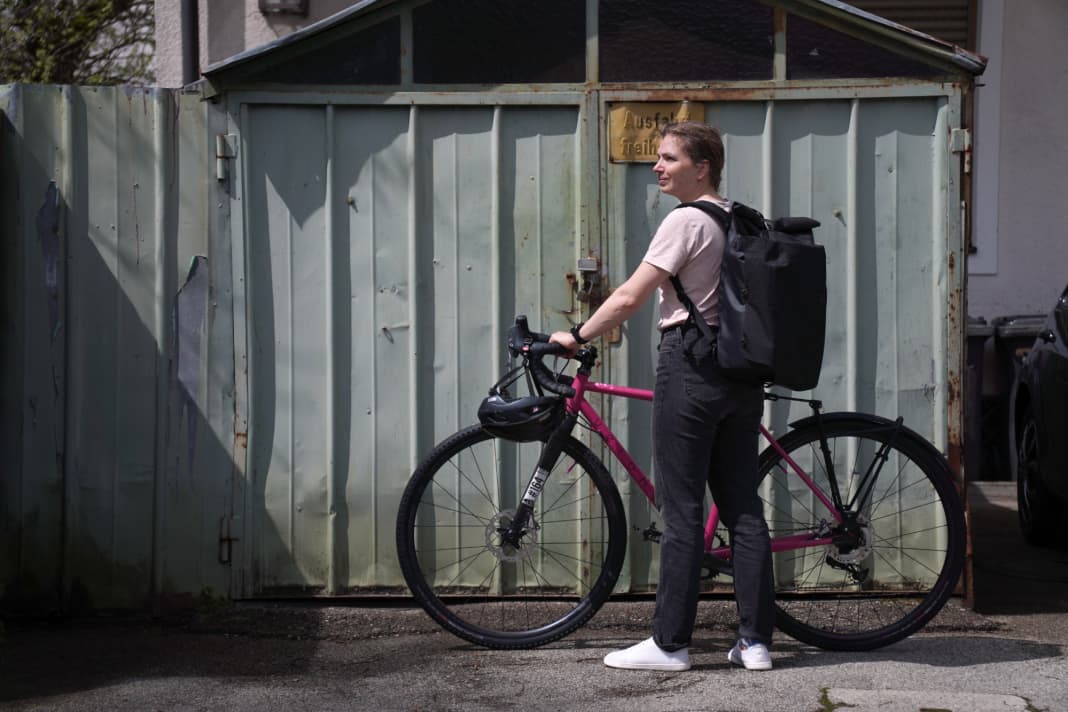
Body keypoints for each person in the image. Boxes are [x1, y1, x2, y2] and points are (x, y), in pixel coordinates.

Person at [549, 121, 775, 672]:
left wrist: (575, 335)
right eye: (657, 157)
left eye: (669, 158)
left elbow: (629, 297)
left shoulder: (687, 221)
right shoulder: (742, 217)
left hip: (692, 369)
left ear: (702, 167)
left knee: (681, 511)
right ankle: (755, 643)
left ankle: (670, 644)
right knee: (744, 509)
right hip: (741, 377)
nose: (658, 166)